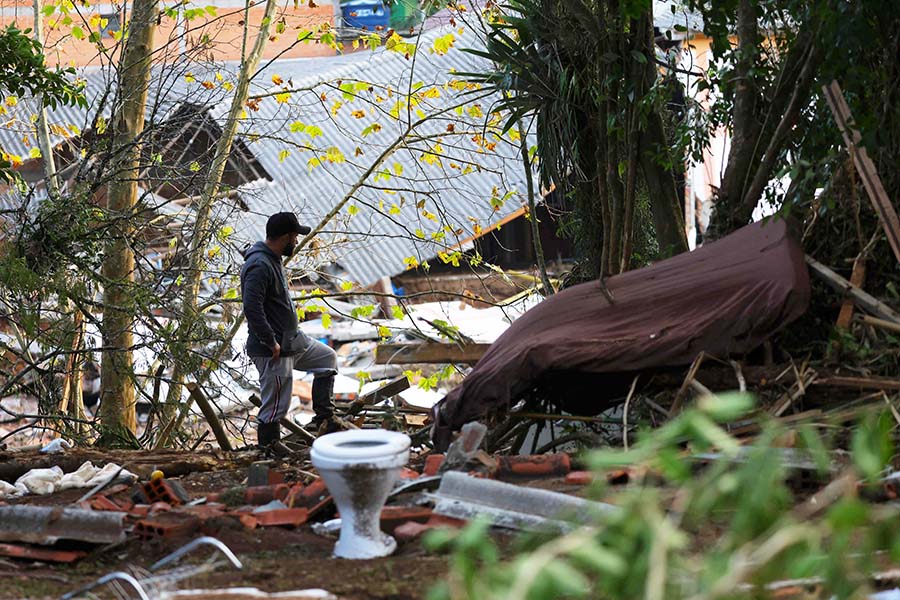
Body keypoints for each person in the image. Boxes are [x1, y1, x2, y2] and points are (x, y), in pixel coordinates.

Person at [240, 212, 340, 452]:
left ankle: (324, 419)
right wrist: (270, 341)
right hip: (273, 349)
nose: (296, 242)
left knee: (327, 359)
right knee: (275, 406)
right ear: (285, 237)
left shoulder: (272, 259)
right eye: (294, 237)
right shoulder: (259, 265)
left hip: (292, 341)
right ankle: (268, 450)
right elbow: (251, 309)